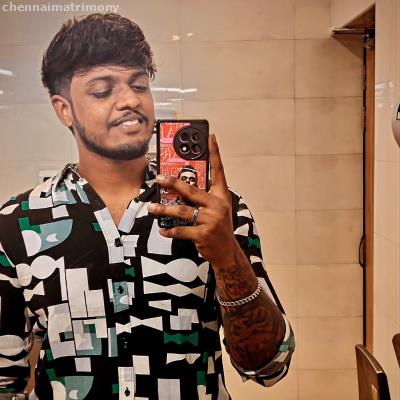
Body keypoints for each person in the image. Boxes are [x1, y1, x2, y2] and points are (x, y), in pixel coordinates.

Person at [0, 13, 294, 400]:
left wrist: (227, 256)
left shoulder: (214, 212)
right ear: (64, 109)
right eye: (102, 91)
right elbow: (4, 379)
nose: (130, 101)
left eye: (139, 85)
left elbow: (268, 366)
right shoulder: (18, 224)